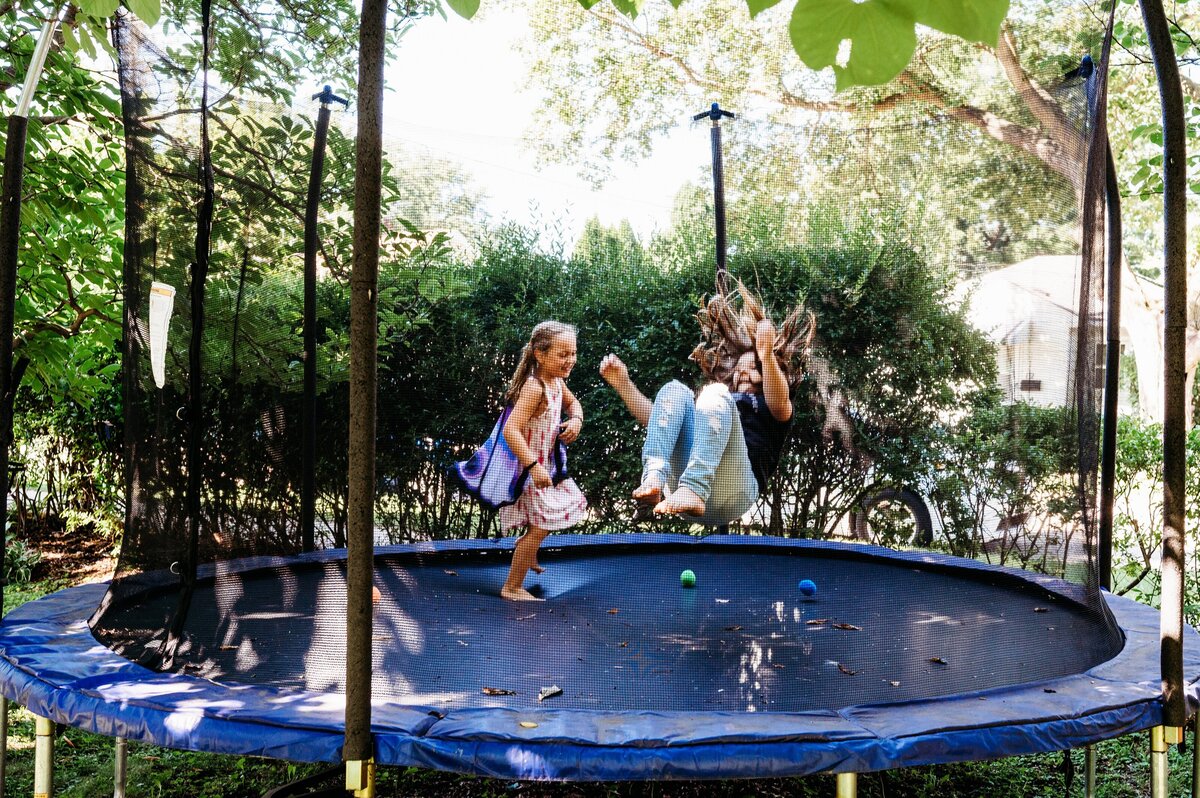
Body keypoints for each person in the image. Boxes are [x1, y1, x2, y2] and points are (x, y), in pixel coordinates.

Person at [599, 283, 814, 525]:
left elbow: (779, 397)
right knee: (675, 390)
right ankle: (654, 477)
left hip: (734, 492)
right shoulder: (720, 404)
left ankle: (695, 488)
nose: (743, 373)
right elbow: (659, 420)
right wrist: (623, 384)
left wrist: (765, 355)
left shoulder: (773, 406)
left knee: (714, 393)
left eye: (754, 369)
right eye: (739, 369)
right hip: (681, 487)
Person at [496, 321, 588, 600]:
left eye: (572, 353)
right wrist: (533, 467)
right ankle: (511, 587)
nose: (570, 360)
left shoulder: (556, 382)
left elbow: (573, 403)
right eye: (563, 354)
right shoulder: (535, 388)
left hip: (546, 467)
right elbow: (511, 430)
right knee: (542, 525)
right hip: (529, 469)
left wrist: (576, 419)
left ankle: (528, 553)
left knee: (542, 523)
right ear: (540, 354)